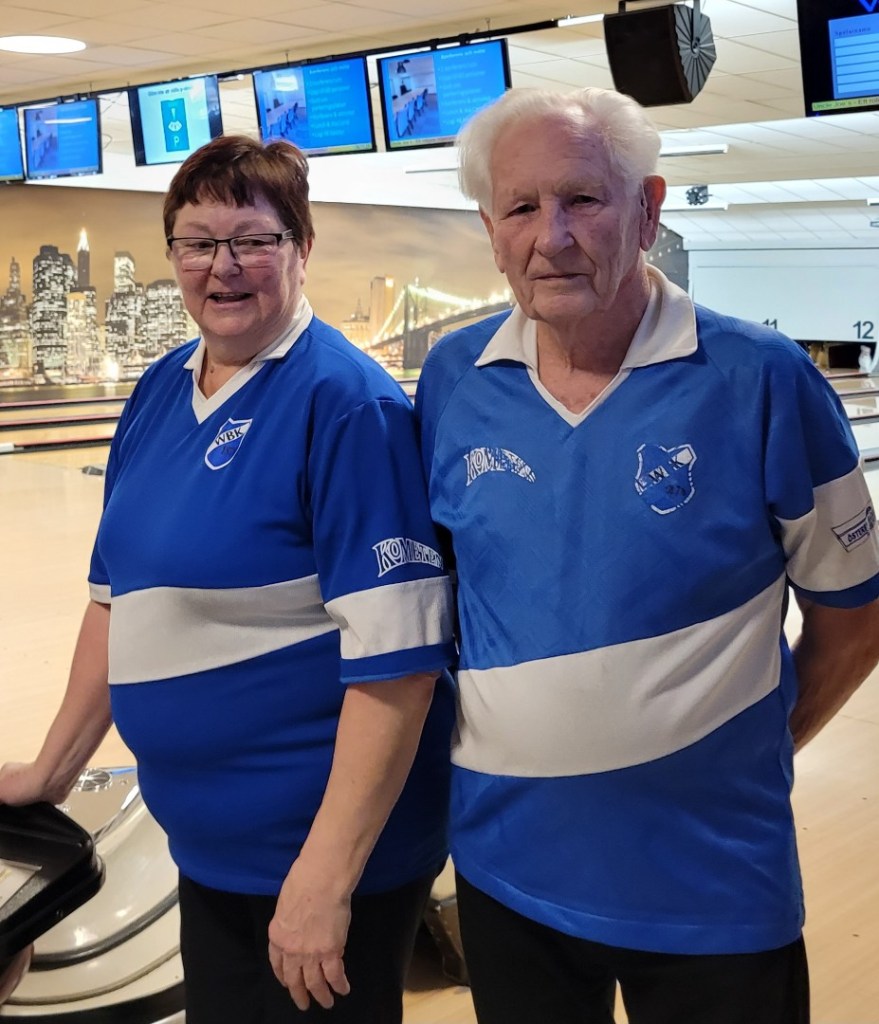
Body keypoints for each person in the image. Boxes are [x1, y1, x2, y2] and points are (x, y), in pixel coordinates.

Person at [415, 86, 879, 1024]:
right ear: (491, 231)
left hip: (713, 888)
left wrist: (751, 748)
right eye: (520, 207)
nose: (551, 235)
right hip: (506, 877)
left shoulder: (763, 379)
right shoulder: (451, 381)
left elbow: (856, 619)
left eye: (582, 198)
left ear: (648, 208)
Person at [0, 134, 456, 1024]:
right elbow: (115, 602)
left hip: (318, 859)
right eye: (199, 242)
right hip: (209, 846)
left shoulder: (346, 404)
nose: (223, 266)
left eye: (253, 240)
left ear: (301, 247)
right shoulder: (159, 389)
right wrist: (53, 769)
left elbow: (400, 666)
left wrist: (324, 879)